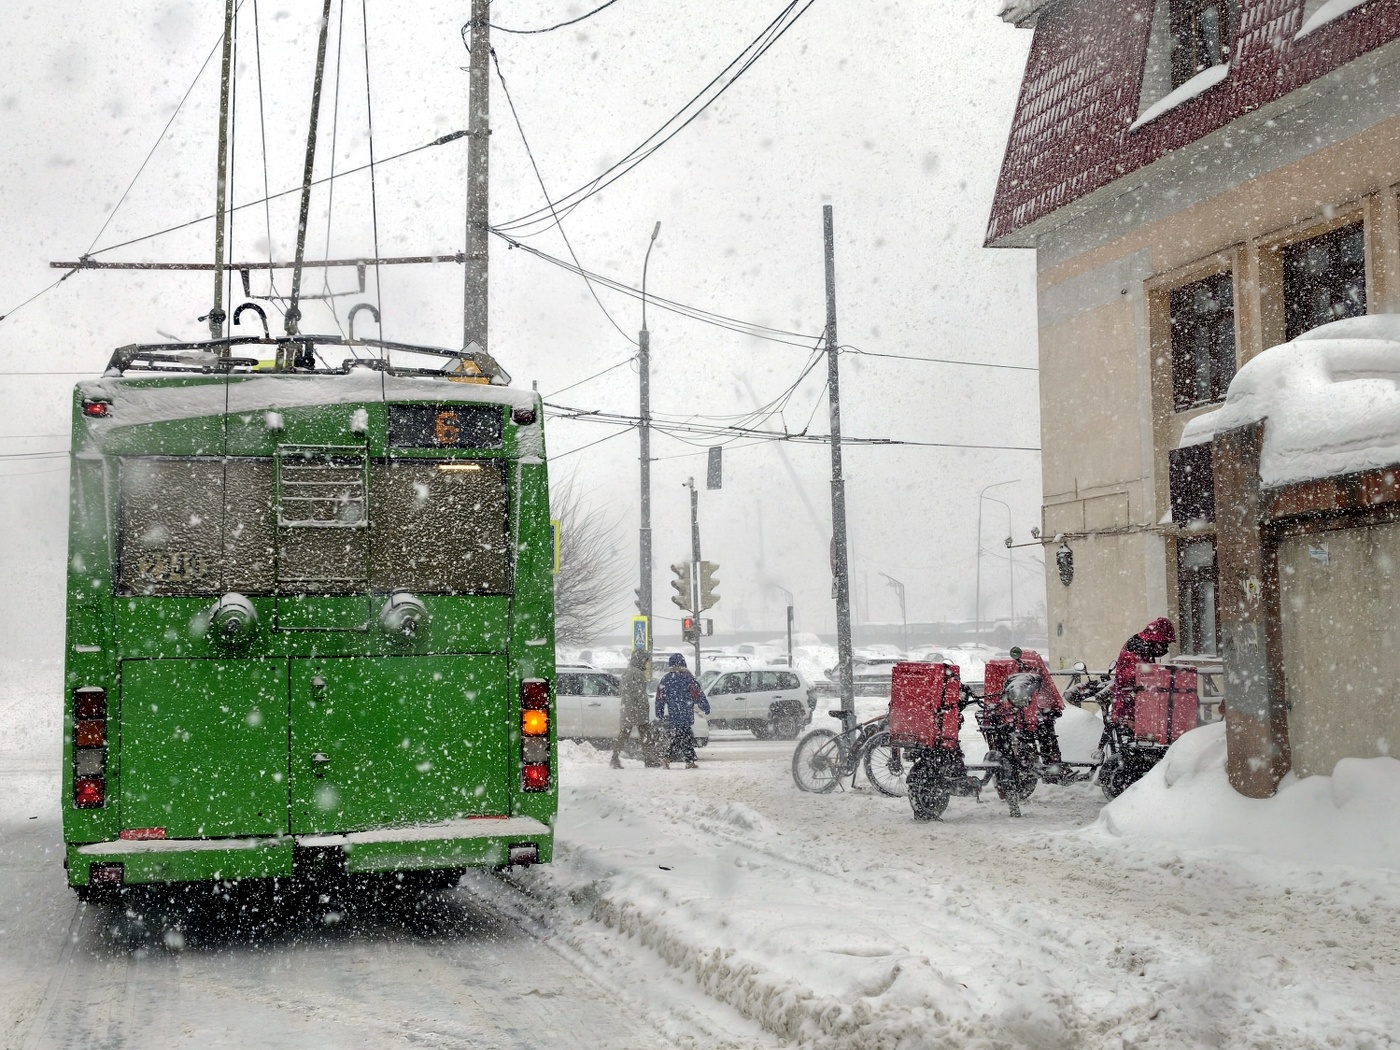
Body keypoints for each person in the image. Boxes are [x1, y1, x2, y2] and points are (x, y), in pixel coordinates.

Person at [1007, 646, 1072, 775]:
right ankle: (1053, 763)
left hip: (1027, 715)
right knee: (1046, 733)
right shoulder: (1032, 672)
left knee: (1042, 731)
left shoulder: (1023, 673)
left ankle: (1051, 763)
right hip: (1032, 714)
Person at [1108, 617, 1176, 728]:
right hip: (1131, 698)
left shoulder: (1141, 642)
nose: (1166, 647)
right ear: (1159, 638)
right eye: (1165, 642)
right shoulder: (1142, 648)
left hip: (1128, 695)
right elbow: (1143, 675)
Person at [653, 653, 710, 769]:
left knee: (682, 736)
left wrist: (659, 711)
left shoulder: (666, 679)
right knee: (684, 736)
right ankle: (680, 760)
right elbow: (698, 694)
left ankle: (677, 760)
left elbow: (660, 698)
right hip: (686, 712)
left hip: (674, 712)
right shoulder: (688, 679)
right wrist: (705, 707)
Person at [610, 650, 651, 769]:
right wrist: (645, 706)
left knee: (624, 733)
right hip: (637, 708)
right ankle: (649, 758)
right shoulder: (637, 673)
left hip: (627, 707)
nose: (646, 663)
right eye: (645, 660)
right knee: (645, 733)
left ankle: (615, 757)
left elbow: (624, 691)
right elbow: (640, 693)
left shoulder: (627, 672)